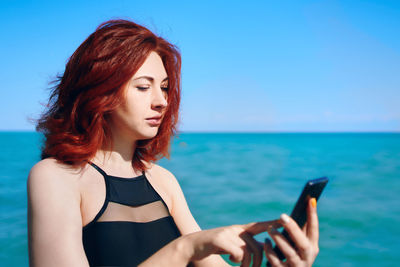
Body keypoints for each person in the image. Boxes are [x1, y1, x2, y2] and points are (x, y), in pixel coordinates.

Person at [27, 19, 320, 267]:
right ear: (99, 89)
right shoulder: (55, 177)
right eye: (144, 87)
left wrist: (288, 261)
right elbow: (191, 247)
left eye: (165, 88)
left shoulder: (162, 180)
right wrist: (185, 248)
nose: (162, 101)